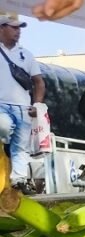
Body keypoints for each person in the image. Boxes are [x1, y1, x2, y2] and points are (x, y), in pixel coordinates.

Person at [0, 16, 45, 194]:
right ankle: (6, 144)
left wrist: (37, 104)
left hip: (23, 107)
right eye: (14, 27)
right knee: (4, 127)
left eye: (20, 28)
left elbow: (39, 82)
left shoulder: (26, 54)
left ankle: (18, 180)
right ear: (2, 28)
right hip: (1, 104)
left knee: (21, 147)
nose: (18, 31)